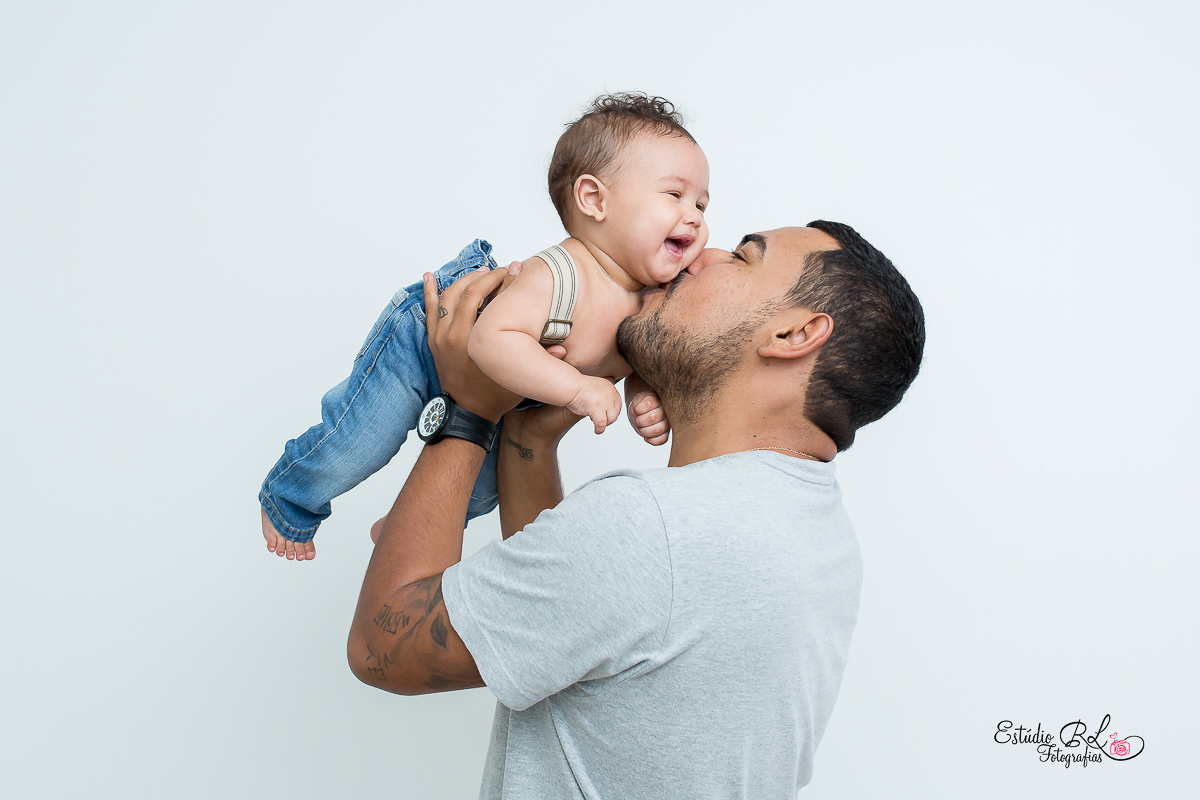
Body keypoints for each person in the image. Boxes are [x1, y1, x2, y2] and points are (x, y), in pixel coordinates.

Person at [347, 221, 926, 798]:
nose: (703, 251)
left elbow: (382, 648)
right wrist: (530, 435)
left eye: (745, 257)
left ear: (794, 333)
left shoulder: (653, 527)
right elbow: (570, 628)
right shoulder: (818, 534)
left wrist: (469, 405)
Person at [257, 93, 709, 560]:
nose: (694, 216)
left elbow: (635, 362)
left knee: (488, 484)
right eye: (675, 195)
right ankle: (290, 498)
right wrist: (576, 389)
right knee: (363, 439)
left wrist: (643, 400)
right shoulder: (561, 273)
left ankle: (401, 525)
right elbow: (490, 339)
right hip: (430, 341)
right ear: (594, 199)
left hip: (503, 394)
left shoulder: (650, 304)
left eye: (702, 203)